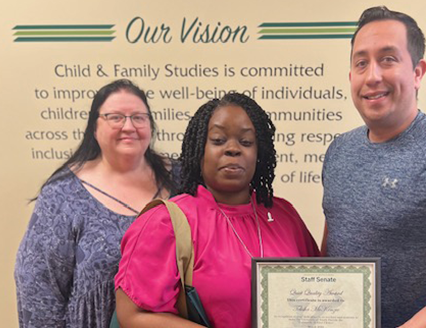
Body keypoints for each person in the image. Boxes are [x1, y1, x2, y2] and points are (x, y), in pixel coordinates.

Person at [321, 6, 426, 328]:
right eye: (361, 63)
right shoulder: (339, 151)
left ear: (418, 72)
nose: (373, 75)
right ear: (351, 76)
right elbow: (333, 245)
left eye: (388, 59)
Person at [114, 92, 320, 328]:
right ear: (199, 150)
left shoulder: (285, 216)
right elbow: (132, 315)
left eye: (246, 142)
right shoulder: (166, 221)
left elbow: (318, 292)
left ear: (259, 153)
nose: (233, 149)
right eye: (218, 140)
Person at [15, 79, 178, 327]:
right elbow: (37, 288)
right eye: (115, 117)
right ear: (94, 127)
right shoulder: (63, 196)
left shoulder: (182, 180)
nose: (128, 126)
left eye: (138, 117)